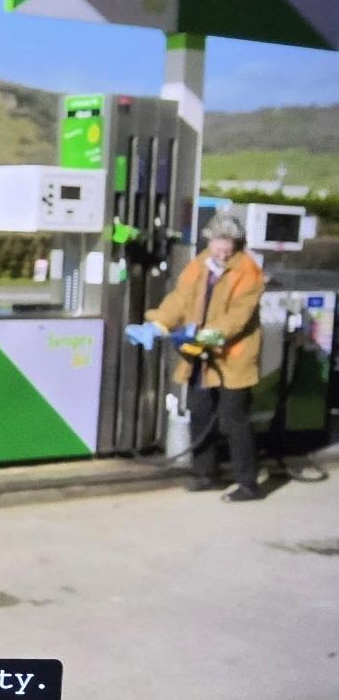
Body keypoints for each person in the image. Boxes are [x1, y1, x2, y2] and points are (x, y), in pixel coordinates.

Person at [125, 212, 265, 502]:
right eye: (218, 242)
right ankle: (206, 474)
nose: (222, 250)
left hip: (233, 358)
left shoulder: (248, 270)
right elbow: (179, 299)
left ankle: (248, 483)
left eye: (228, 244)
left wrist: (207, 335)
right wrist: (157, 324)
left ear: (238, 244)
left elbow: (238, 316)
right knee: (200, 413)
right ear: (209, 241)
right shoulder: (199, 264)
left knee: (234, 420)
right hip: (200, 356)